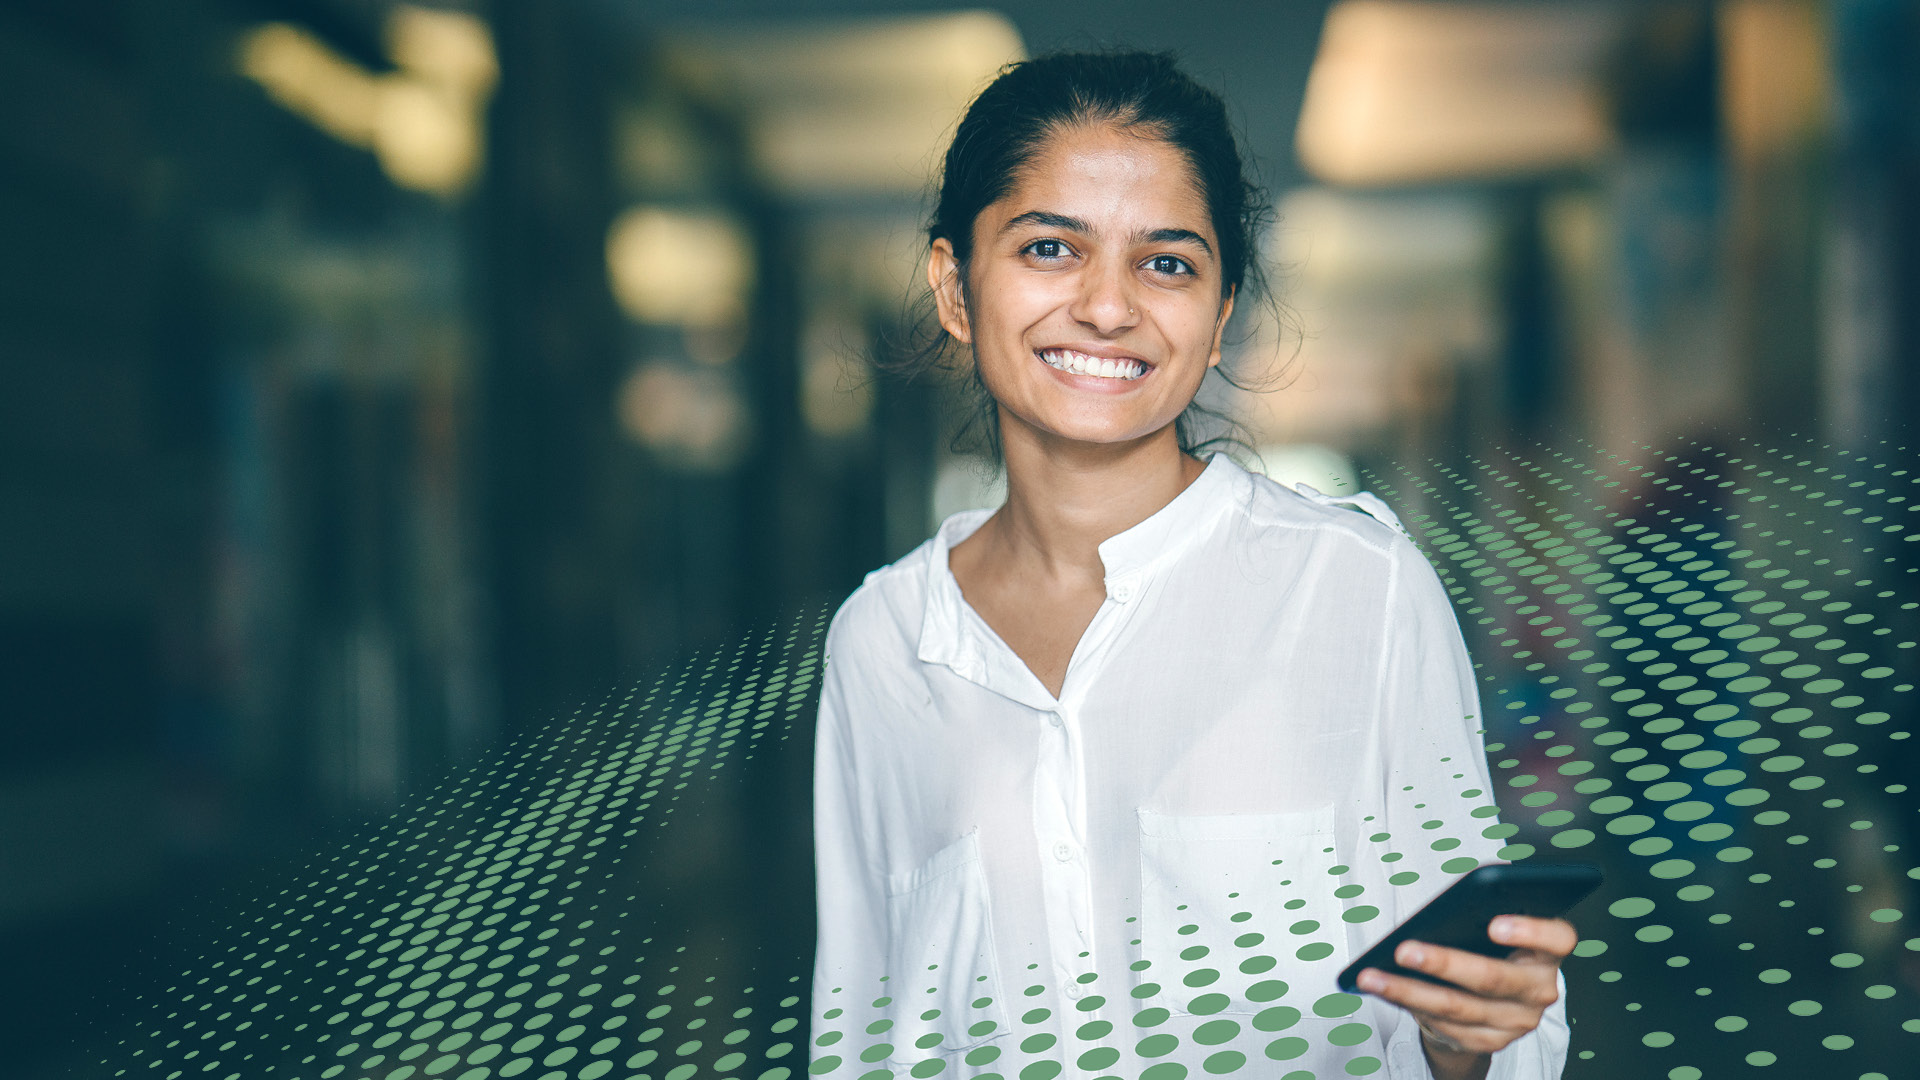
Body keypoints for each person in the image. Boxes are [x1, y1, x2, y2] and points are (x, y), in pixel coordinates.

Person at [810, 51, 1574, 1080]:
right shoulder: (882, 643)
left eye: (1167, 263)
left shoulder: (1356, 591)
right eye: (1049, 248)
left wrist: (1465, 1033)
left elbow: (1491, 1033)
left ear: (1217, 320)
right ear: (954, 287)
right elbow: (860, 1032)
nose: (1109, 307)